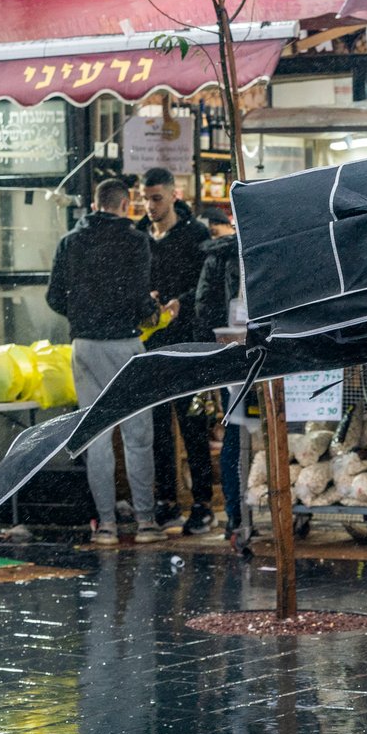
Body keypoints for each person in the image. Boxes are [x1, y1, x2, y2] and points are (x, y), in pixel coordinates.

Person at [45, 178, 170, 546]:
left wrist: (83, 313)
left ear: (96, 204)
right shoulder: (136, 241)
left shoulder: (70, 242)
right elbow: (140, 299)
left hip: (83, 346)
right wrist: (151, 308)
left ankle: (107, 525)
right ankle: (146, 522)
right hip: (123, 345)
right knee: (137, 436)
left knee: (95, 437)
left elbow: (54, 297)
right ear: (125, 204)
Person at [138, 167, 216, 535]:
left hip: (187, 343)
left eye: (156, 198)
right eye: (144, 198)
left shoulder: (196, 236)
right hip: (149, 344)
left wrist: (182, 303)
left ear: (173, 195)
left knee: (193, 424)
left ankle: (202, 503)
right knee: (156, 427)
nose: (150, 206)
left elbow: (208, 286)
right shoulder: (138, 238)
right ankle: (165, 500)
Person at [193, 207, 245, 540]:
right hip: (277, 356)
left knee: (238, 434)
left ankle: (236, 515)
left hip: (234, 357)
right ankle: (249, 509)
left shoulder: (219, 257)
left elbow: (203, 309)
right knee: (248, 434)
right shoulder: (272, 249)